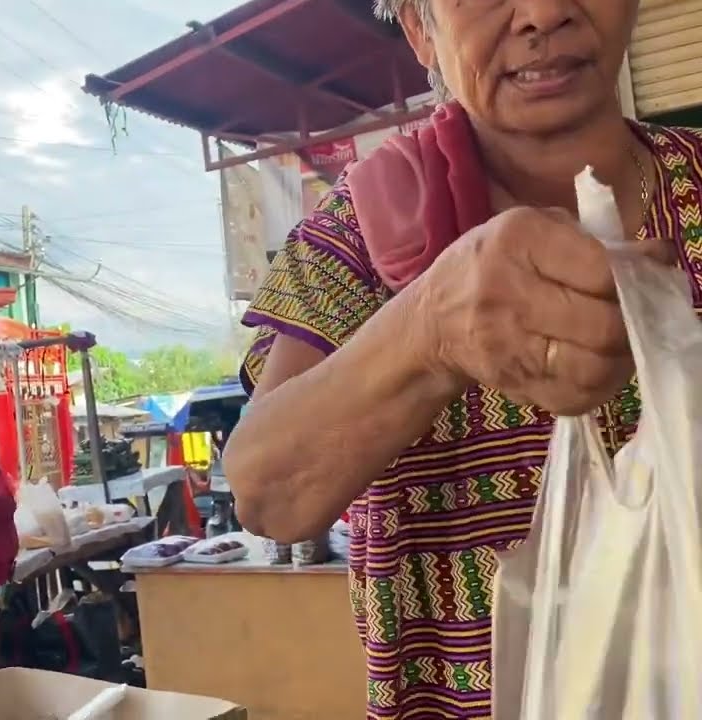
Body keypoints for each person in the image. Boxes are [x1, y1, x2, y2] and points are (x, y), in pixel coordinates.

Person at [222, 2, 695, 717]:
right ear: (419, 28)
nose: (542, 12)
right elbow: (267, 493)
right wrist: (429, 329)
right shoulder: (357, 237)